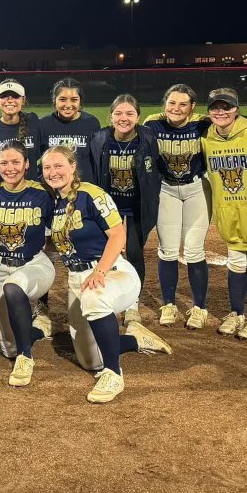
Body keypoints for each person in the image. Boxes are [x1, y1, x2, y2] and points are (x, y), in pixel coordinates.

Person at [40, 146, 171, 403]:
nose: (53, 172)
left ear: (72, 167)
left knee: (95, 297)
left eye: (58, 166)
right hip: (77, 277)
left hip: (112, 272)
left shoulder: (91, 193)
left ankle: (114, 373)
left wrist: (99, 271)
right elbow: (61, 243)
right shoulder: (55, 203)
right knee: (89, 361)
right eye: (47, 168)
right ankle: (134, 340)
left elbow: (117, 234)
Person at [198, 88, 247, 340]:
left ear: (237, 109)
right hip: (228, 212)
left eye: (227, 107)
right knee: (237, 264)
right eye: (215, 107)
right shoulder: (206, 137)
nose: (221, 112)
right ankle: (237, 313)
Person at [0, 142, 55, 386]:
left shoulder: (42, 193)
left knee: (13, 287)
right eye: (4, 162)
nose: (9, 168)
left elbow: (65, 223)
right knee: (8, 347)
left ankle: (26, 357)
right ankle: (37, 332)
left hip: (33, 264)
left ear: (26, 165)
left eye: (15, 162)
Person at [88, 94, 162, 325]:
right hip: (111, 208)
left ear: (138, 117)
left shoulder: (148, 138)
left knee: (135, 253)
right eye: (119, 113)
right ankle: (106, 297)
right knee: (108, 253)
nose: (124, 118)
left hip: (137, 206)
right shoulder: (100, 139)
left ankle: (132, 304)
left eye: (130, 113)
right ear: (110, 116)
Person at [144, 84, 213, 329]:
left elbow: (238, 120)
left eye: (183, 104)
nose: (176, 108)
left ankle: (199, 308)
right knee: (168, 249)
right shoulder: (152, 124)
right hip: (166, 189)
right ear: (165, 105)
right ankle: (169, 304)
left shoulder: (202, 123)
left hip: (197, 188)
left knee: (194, 250)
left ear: (192, 107)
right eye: (172, 103)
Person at [38, 77, 101, 183]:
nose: (68, 105)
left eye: (74, 100)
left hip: (83, 187)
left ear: (80, 101)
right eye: (62, 99)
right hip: (53, 189)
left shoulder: (91, 123)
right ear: (55, 100)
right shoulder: (44, 124)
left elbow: (97, 160)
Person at [0, 78, 42, 185]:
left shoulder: (33, 122)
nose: (10, 100)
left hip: (31, 192)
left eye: (15, 96)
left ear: (23, 100)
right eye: (4, 96)